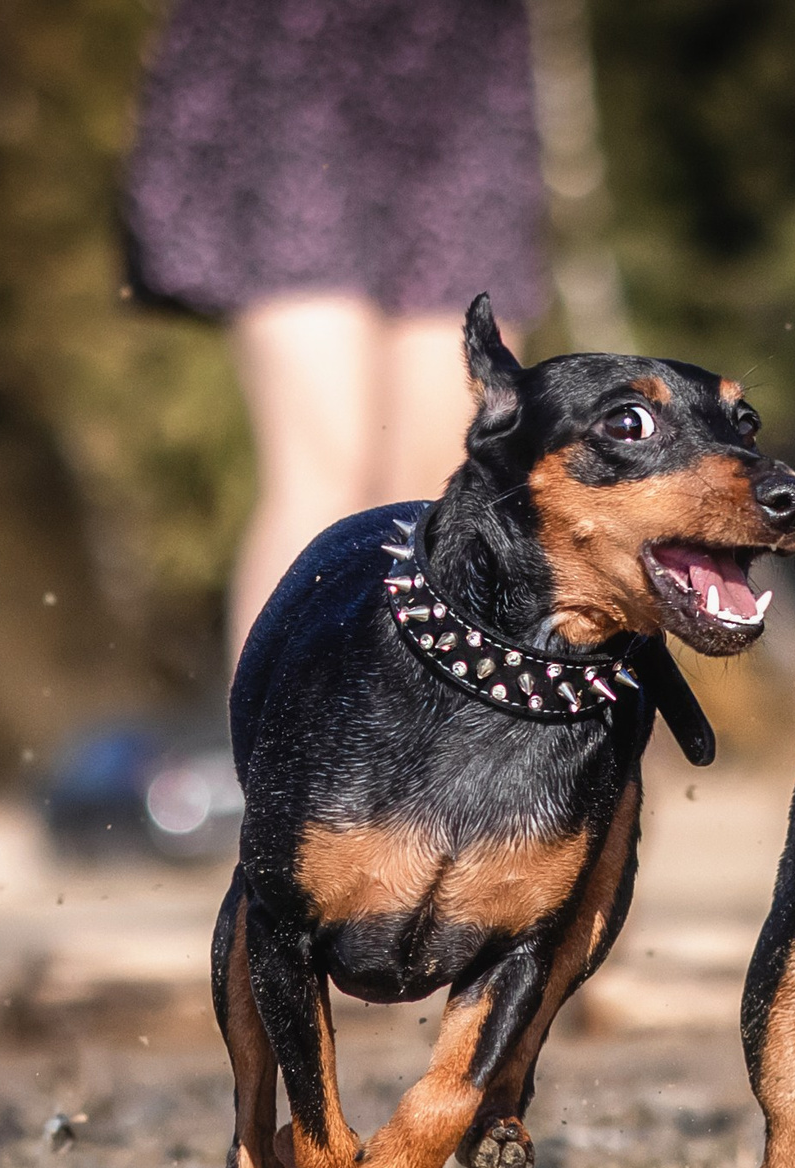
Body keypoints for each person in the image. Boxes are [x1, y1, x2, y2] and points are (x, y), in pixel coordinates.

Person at [121, 0, 549, 670]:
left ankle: (421, 766)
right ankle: (278, 767)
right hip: (293, 56)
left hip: (464, 68)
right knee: (327, 476)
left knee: (446, 492)